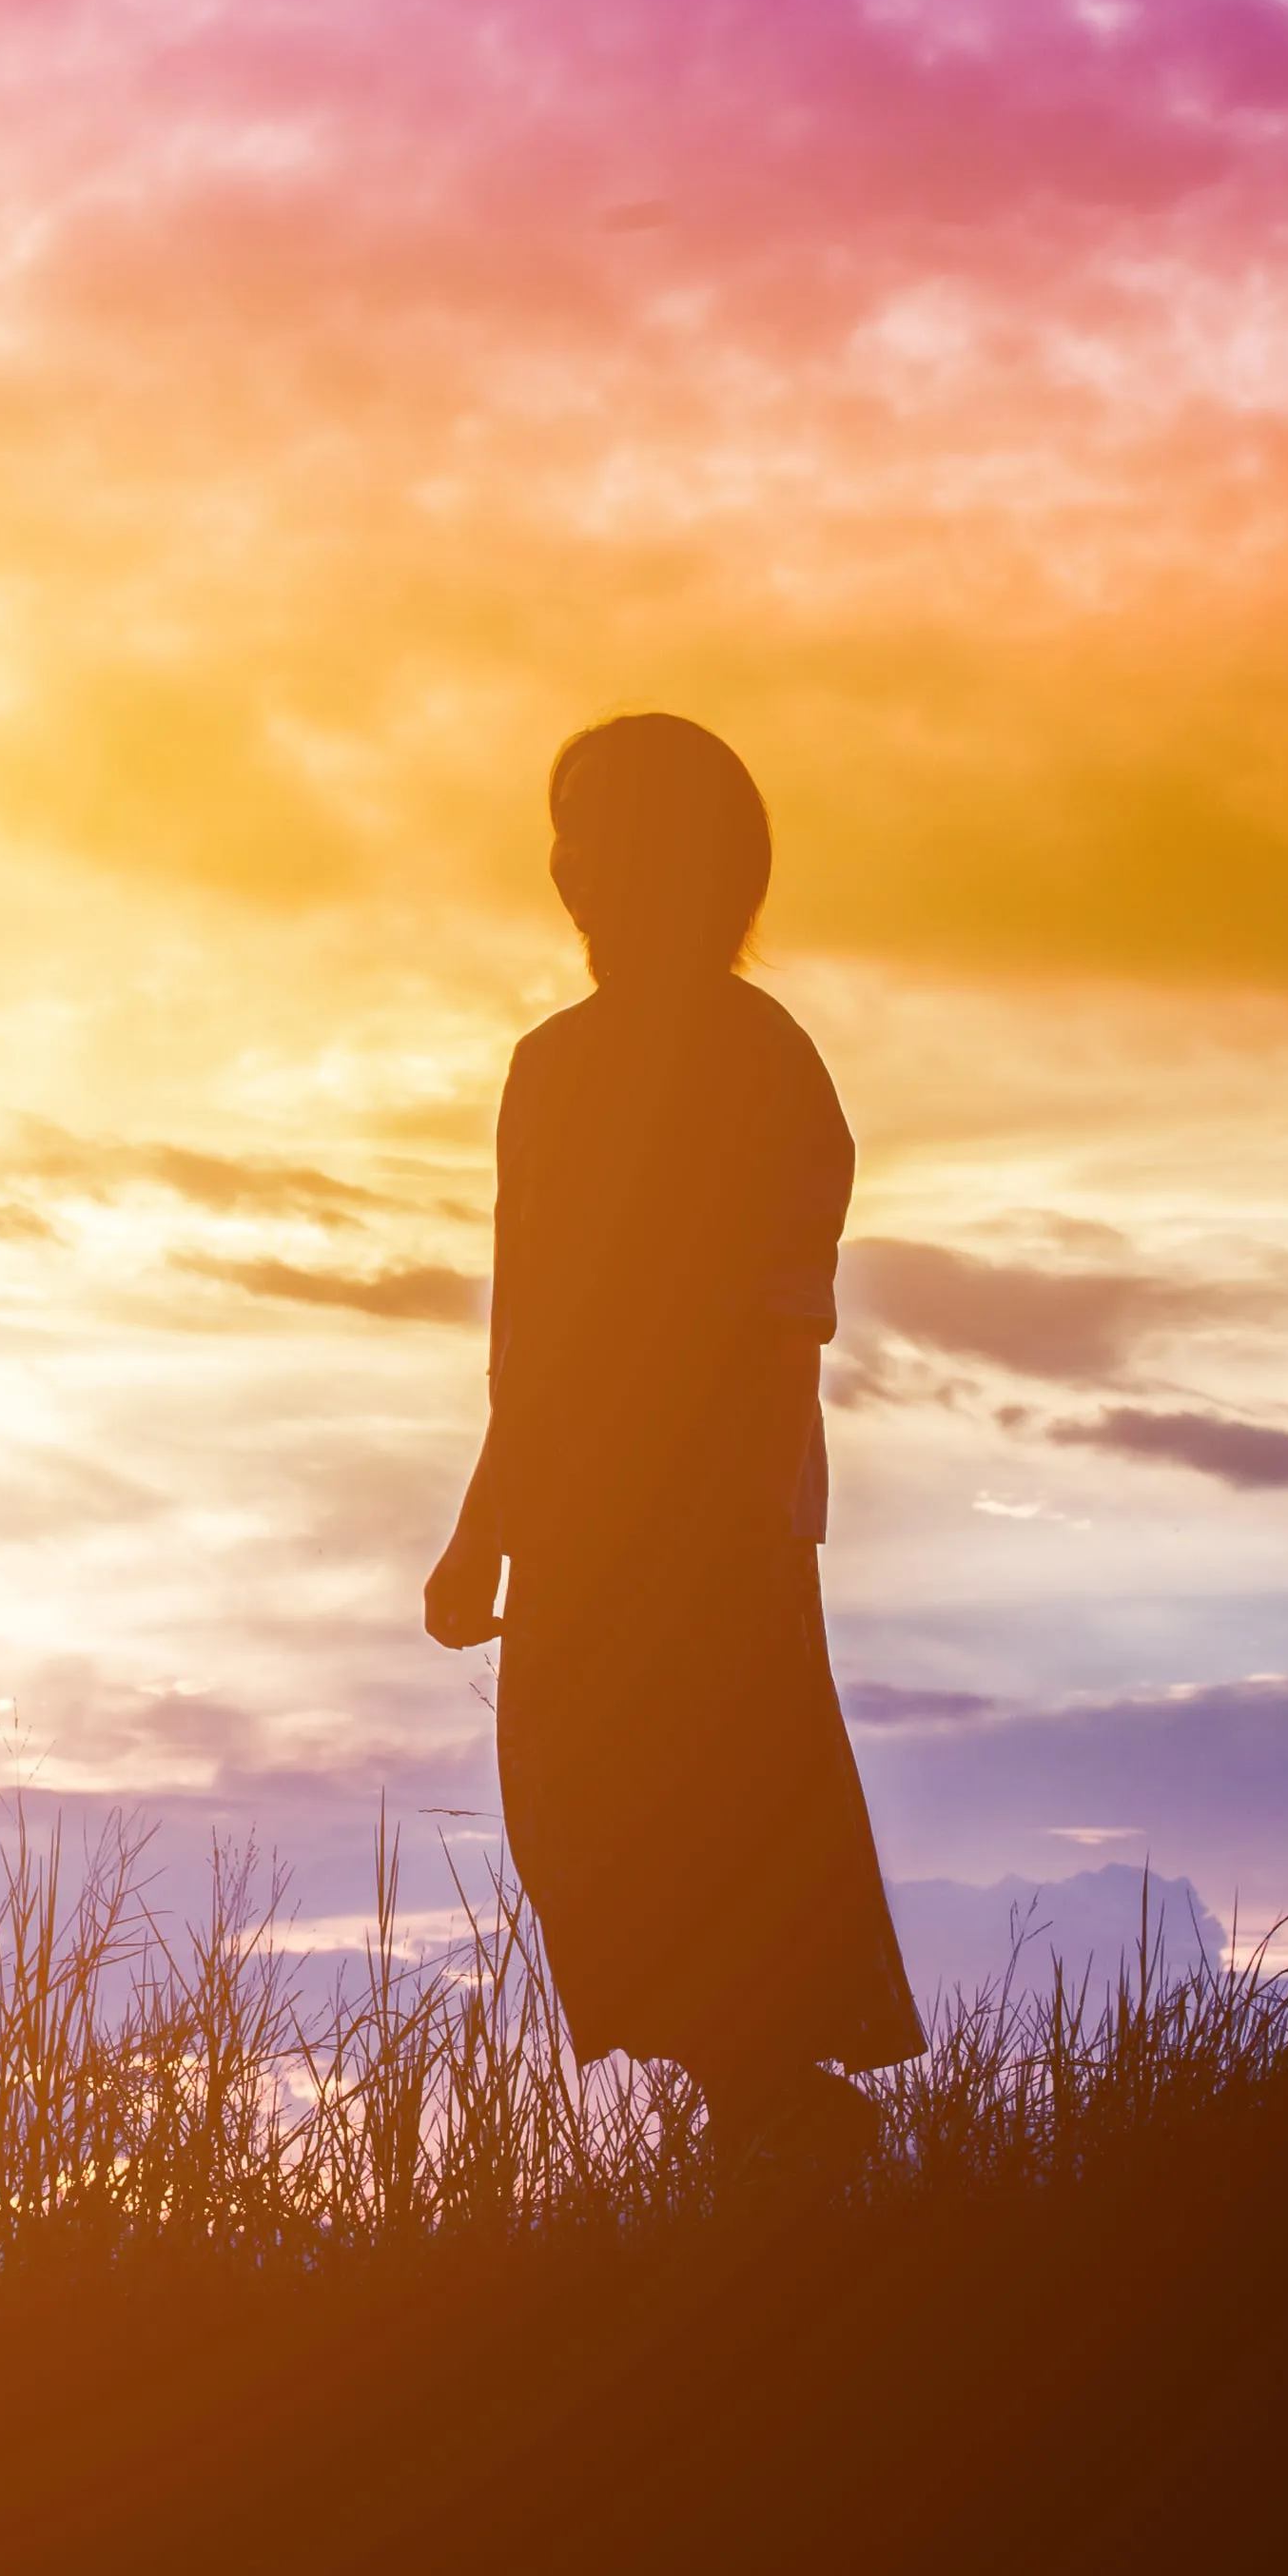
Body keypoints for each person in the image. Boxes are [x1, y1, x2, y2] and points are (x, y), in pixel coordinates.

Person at [421, 712, 921, 2163]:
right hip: (579, 1518)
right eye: (566, 837)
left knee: (715, 1837)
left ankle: (785, 2135)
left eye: (607, 835)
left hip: (711, 1520)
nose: (573, 869)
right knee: (586, 1832)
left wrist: (754, 1509)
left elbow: (784, 1304)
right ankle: (771, 2120)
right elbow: (532, 1338)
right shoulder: (550, 1068)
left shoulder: (761, 1056)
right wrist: (483, 1524)